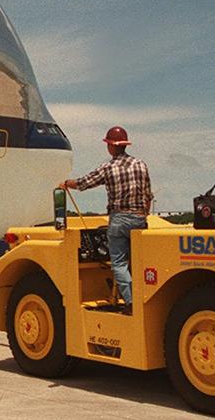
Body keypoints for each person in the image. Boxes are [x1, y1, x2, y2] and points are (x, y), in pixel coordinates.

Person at [59, 125, 152, 315]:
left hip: (119, 219)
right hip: (139, 218)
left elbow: (85, 183)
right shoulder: (141, 164)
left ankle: (131, 302)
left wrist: (67, 183)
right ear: (125, 145)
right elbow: (148, 195)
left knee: (119, 263)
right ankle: (144, 298)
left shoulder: (108, 168)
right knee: (138, 262)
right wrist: (143, 216)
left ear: (110, 146)